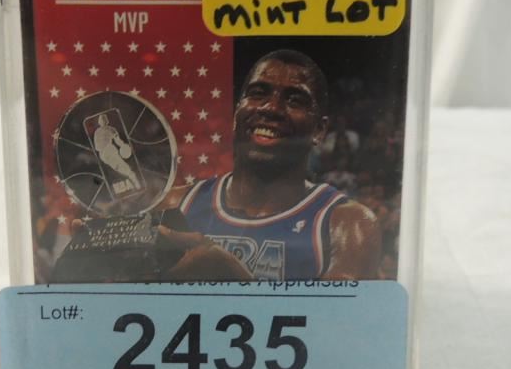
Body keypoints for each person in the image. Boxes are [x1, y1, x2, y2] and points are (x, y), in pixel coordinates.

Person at [159, 49, 381, 280]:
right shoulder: (175, 204)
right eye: (257, 94)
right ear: (235, 115)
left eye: (294, 100)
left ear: (319, 130)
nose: (271, 108)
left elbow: (338, 306)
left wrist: (235, 280)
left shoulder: (347, 225)